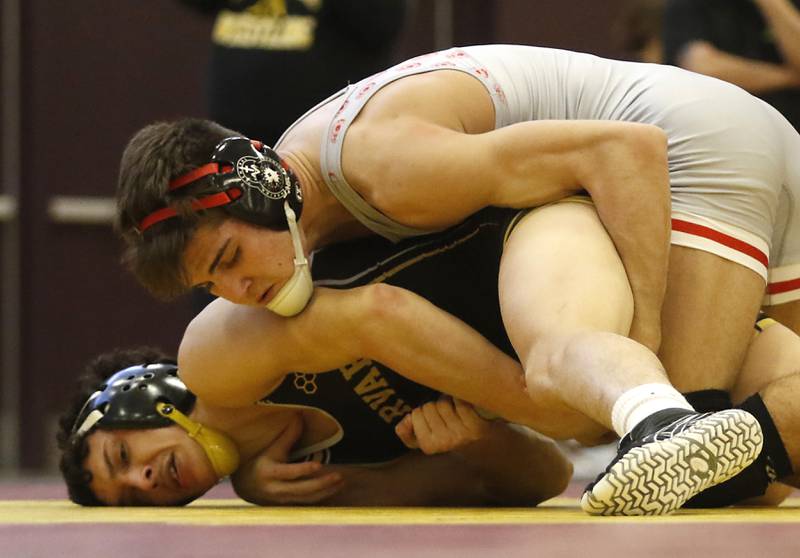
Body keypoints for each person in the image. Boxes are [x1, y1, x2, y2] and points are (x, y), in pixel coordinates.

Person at [115, 45, 800, 514]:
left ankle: (662, 413)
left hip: (690, 149)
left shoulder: (385, 166)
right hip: (716, 141)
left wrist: (647, 329)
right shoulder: (310, 177)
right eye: (211, 285)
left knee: (701, 452)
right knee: (765, 451)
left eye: (230, 258)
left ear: (261, 188)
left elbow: (624, 149)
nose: (236, 294)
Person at [61, 205, 795, 507]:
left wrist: (536, 406)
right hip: (603, 363)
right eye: (129, 494)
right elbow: (542, 476)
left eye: (123, 454)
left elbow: (381, 313)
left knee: (560, 366)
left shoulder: (216, 361)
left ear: (143, 397)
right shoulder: (304, 486)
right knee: (765, 458)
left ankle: (661, 422)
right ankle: (699, 432)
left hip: (534, 253)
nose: (143, 480)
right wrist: (482, 441)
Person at [176, 0, 406, 312]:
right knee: (222, 254)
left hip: (327, 143)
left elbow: (381, 22)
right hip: (232, 129)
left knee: (327, 265)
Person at [663, 0, 800, 132]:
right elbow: (702, 69)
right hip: (724, 125)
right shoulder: (691, 5)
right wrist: (791, 77)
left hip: (790, 126)